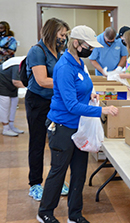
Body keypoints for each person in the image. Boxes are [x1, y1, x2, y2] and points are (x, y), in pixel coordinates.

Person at [37, 25, 119, 223]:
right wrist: (103, 110)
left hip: (80, 127)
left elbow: (79, 89)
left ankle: (74, 214)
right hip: (63, 127)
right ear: (76, 43)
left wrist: (89, 94)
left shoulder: (79, 62)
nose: (91, 49)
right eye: (88, 45)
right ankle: (45, 212)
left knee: (80, 172)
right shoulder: (64, 67)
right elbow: (71, 105)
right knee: (58, 171)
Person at [25, 17, 70, 201]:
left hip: (54, 102)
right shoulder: (37, 51)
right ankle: (35, 184)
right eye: (61, 34)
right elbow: (42, 81)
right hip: (37, 102)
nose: (64, 38)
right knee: (37, 143)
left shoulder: (59, 52)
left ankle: (56, 181)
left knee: (56, 142)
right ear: (52, 33)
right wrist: (67, 83)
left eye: (65, 35)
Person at [0, 56, 25, 136]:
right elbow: (16, 82)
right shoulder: (18, 64)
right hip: (2, 81)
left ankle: (11, 125)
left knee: (14, 102)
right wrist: (29, 88)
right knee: (5, 104)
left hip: (10, 83)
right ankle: (5, 128)